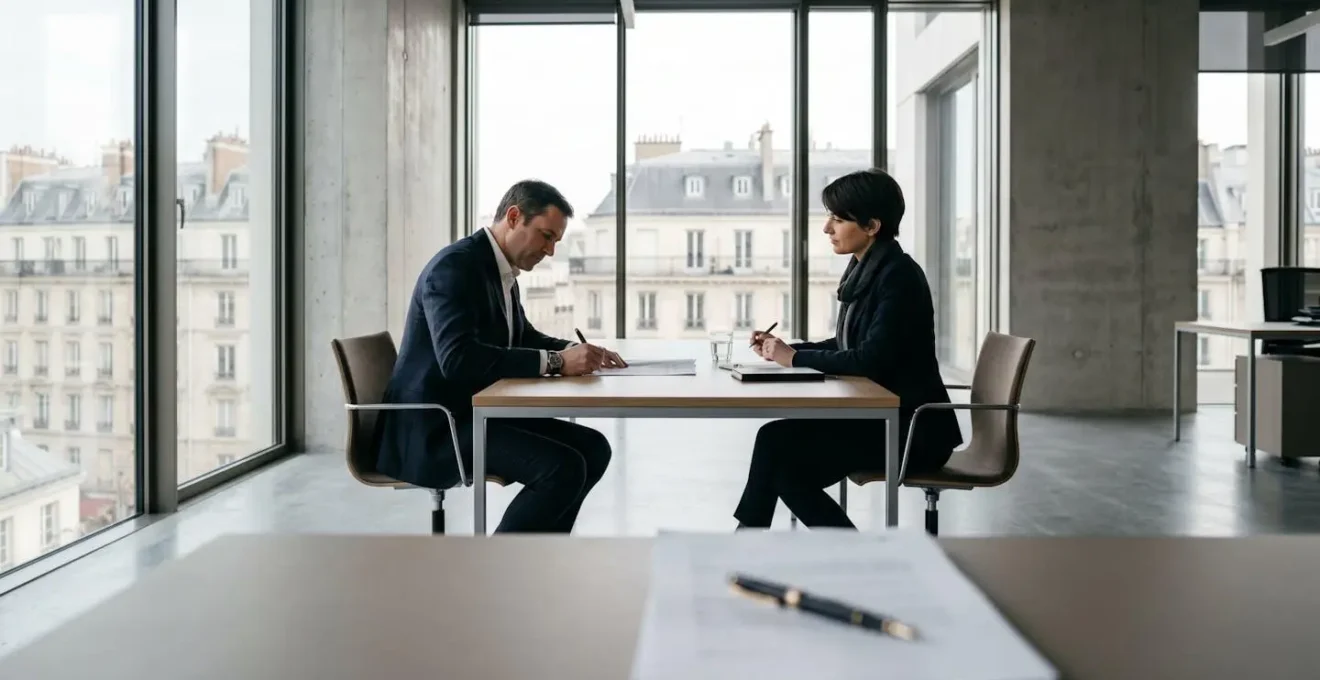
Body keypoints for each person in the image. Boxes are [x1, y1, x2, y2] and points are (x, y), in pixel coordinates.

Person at [376, 179, 626, 533]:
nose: (551, 251)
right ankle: (501, 568)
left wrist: (574, 351)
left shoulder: (500, 271)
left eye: (555, 240)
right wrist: (556, 364)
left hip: (476, 412)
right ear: (513, 217)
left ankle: (539, 558)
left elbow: (522, 336)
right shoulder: (454, 269)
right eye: (546, 236)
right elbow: (458, 360)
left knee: (594, 448)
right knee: (562, 467)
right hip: (436, 428)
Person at [735, 169, 963, 529]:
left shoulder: (898, 277)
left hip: (911, 430)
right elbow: (849, 345)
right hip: (879, 418)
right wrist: (784, 349)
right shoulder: (867, 270)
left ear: (872, 225)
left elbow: (870, 359)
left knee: (781, 457)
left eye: (838, 219)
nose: (827, 228)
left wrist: (793, 358)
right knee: (777, 451)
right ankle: (753, 542)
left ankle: (751, 542)